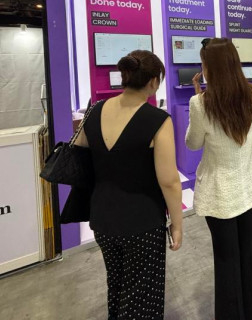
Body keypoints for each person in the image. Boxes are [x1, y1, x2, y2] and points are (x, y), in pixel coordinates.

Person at [74, 50, 183, 320]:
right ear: (153, 82)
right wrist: (177, 224)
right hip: (142, 222)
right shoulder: (158, 120)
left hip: (102, 219)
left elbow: (79, 154)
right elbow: (169, 181)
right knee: (141, 297)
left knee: (117, 284)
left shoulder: (95, 110)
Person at [186, 38, 252, 320]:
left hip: (220, 192)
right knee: (250, 251)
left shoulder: (199, 103)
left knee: (226, 259)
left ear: (208, 67)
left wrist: (198, 101)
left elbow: (193, 143)